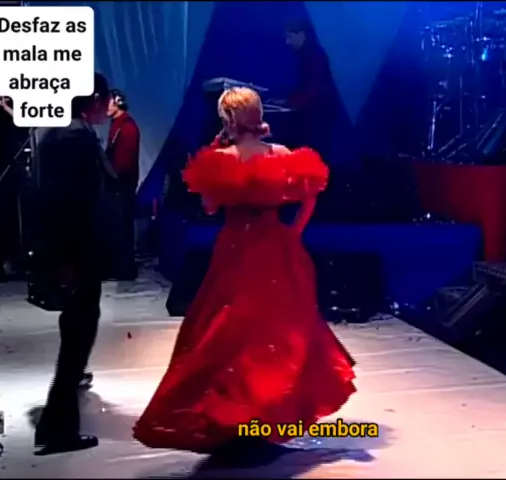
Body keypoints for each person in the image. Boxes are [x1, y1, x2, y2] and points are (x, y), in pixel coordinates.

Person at [133, 87, 356, 461]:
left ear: (227, 119)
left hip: (237, 247)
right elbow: (311, 193)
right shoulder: (281, 154)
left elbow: (208, 207)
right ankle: (263, 416)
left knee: (228, 330)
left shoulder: (219, 159)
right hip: (277, 247)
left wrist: (216, 151)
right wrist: (294, 232)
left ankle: (235, 418)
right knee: (278, 331)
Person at [33, 72, 115, 456]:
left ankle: (56, 424)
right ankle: (57, 428)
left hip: (71, 249)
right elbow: (71, 204)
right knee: (77, 337)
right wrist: (69, 258)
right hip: (77, 251)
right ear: (94, 98)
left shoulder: (59, 132)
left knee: (76, 335)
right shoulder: (75, 137)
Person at [272, 21, 337, 154]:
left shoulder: (314, 56)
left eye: (290, 37)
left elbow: (313, 87)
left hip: (318, 112)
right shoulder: (307, 54)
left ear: (301, 35)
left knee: (315, 148)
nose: (287, 42)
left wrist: (290, 102)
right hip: (315, 109)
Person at [104, 89, 140, 280]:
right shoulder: (117, 125)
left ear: (118, 102)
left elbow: (125, 162)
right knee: (117, 226)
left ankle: (124, 269)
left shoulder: (127, 127)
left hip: (122, 185)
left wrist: (113, 177)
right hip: (117, 184)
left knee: (122, 227)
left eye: (108, 102)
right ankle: (118, 267)